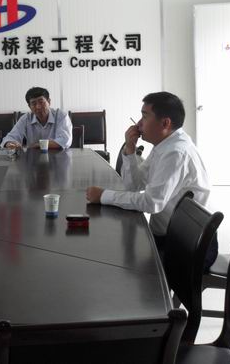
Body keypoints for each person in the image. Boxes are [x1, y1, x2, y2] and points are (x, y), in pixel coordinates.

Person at [85, 92, 215, 266]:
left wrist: (104, 196)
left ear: (165, 123)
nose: (139, 123)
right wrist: (130, 149)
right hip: (169, 235)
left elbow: (151, 203)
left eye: (145, 117)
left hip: (189, 246)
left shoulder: (176, 152)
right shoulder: (165, 144)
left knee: (112, 259)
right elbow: (134, 185)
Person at [1, 87, 72, 149]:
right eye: (34, 104)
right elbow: (10, 137)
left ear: (49, 102)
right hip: (33, 158)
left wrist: (38, 145)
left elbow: (65, 140)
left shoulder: (61, 116)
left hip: (58, 157)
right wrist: (10, 143)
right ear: (29, 107)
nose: (38, 107)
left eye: (41, 102)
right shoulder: (26, 118)